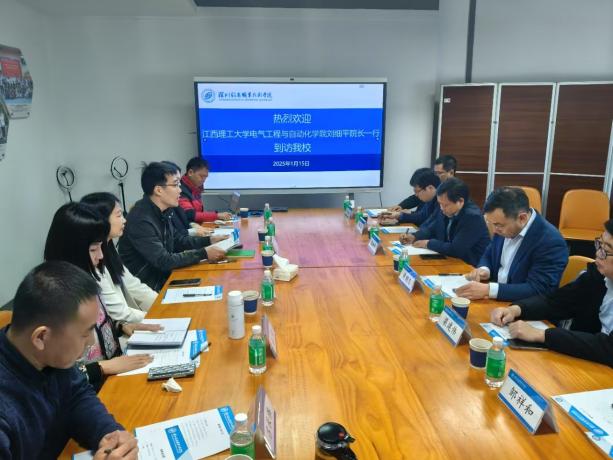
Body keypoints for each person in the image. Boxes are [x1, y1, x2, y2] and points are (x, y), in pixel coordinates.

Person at [0, 261, 138, 459]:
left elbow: (76, 394)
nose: (91, 342)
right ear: (41, 337)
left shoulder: (48, 356)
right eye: (85, 334)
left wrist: (109, 434)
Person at [45, 203, 157, 390]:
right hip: (92, 385)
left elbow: (97, 321)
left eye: (101, 247)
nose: (101, 256)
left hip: (115, 366)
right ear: (70, 248)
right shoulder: (54, 296)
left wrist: (120, 326)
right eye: (93, 249)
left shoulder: (87, 276)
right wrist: (103, 368)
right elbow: (52, 378)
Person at [489, 219, 613, 368]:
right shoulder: (598, 276)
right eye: (600, 244)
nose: (598, 253)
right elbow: (558, 301)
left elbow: (608, 348)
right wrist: (517, 309)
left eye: (607, 250)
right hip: (588, 363)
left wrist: (542, 335)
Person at [119, 162, 227, 291]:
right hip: (151, 286)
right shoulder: (141, 219)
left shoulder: (163, 211)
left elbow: (178, 241)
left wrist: (210, 240)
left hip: (166, 277)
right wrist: (204, 253)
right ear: (158, 190)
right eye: (175, 185)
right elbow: (163, 261)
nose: (180, 190)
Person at [456, 187, 568, 301]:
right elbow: (489, 254)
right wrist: (484, 269)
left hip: (521, 307)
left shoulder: (550, 241)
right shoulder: (503, 226)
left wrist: (489, 290)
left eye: (498, 225)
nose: (494, 230)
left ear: (522, 218)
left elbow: (538, 289)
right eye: (490, 223)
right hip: (494, 300)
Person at [81, 192, 158, 322]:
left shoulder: (109, 248)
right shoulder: (93, 259)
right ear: (102, 219)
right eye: (118, 215)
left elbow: (134, 285)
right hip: (120, 326)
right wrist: (157, 316)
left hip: (130, 320)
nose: (124, 220)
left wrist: (162, 304)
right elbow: (118, 312)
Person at [400, 177, 490, 266]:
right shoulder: (445, 208)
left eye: (445, 205)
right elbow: (431, 228)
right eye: (440, 204)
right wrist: (414, 236)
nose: (442, 208)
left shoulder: (472, 217)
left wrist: (428, 243)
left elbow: (455, 249)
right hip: (450, 260)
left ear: (460, 201)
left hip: (470, 266)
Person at [389, 155, 457, 212]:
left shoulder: (453, 193)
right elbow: (416, 198)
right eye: (435, 172)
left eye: (439, 173)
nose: (435, 175)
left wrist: (409, 214)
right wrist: (401, 206)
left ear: (451, 173)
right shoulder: (436, 186)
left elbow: (429, 218)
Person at [179, 157, 233, 223]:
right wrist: (217, 216)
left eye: (206, 177)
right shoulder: (180, 190)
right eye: (201, 176)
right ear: (190, 172)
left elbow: (199, 212)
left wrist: (216, 216)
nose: (204, 180)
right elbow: (190, 215)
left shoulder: (196, 188)